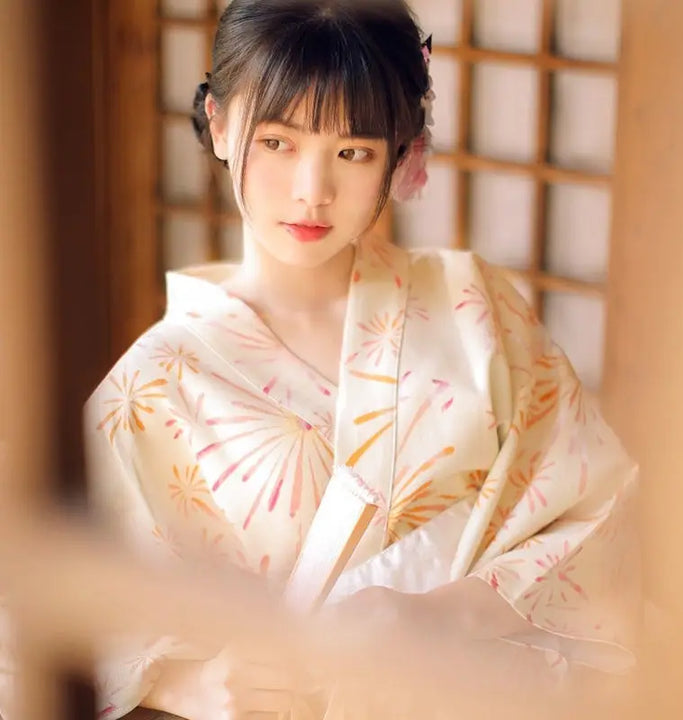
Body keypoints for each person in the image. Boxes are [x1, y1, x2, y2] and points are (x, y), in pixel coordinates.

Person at [82, 1, 640, 718]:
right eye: (279, 142)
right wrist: (186, 684)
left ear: (400, 154)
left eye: (352, 152)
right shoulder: (153, 385)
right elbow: (37, 610)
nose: (312, 191)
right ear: (220, 125)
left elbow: (602, 511)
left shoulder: (476, 308)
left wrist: (444, 613)